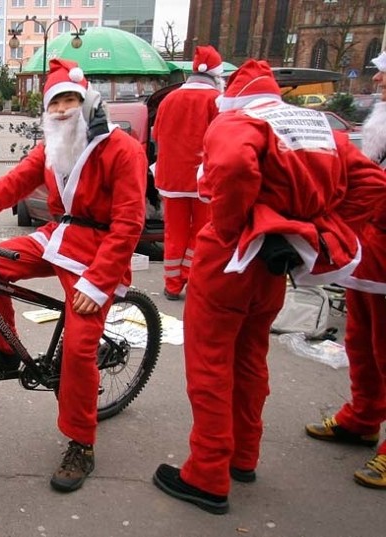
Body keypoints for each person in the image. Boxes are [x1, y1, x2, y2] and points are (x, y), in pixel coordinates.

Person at [152, 59, 386, 514]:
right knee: (251, 356)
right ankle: (243, 456)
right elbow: (373, 183)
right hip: (277, 263)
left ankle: (207, 473)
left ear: (231, 97)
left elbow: (235, 166)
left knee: (210, 364)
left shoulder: (238, 121)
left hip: (231, 259)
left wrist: (233, 225)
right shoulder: (319, 127)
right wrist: (317, 230)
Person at [0, 58, 147, 493]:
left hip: (97, 254)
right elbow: (9, 185)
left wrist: (98, 282)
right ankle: (5, 351)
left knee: (80, 350)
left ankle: (81, 443)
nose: (63, 109)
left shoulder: (122, 150)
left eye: (71, 100)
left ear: (87, 102)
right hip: (57, 237)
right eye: (56, 102)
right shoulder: (51, 146)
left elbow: (129, 224)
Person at [305, 50, 386, 489]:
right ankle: (363, 417)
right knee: (363, 343)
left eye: (384, 75)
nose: (377, 82)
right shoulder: (380, 125)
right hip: (373, 250)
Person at [152, 45, 222, 300]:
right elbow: (222, 140)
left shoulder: (169, 99)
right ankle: (188, 273)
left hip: (170, 178)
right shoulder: (216, 100)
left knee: (174, 230)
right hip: (203, 179)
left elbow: (155, 136)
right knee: (202, 230)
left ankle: (172, 284)